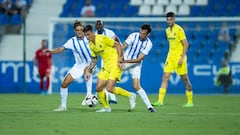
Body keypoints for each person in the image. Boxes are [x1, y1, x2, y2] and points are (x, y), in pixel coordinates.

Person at [83, 24, 136, 113]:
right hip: (106, 67)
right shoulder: (91, 45)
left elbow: (118, 45)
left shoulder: (102, 38)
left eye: (88, 34)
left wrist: (120, 59)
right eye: (86, 35)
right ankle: (106, 108)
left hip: (115, 64)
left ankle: (130, 95)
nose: (87, 37)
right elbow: (94, 59)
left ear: (92, 32)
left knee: (109, 88)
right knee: (98, 88)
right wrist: (89, 71)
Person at [46, 20, 93, 111]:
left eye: (81, 29)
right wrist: (51, 51)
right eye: (77, 30)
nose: (79, 31)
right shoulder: (72, 41)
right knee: (64, 84)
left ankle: (89, 95)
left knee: (86, 70)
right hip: (78, 65)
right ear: (75, 31)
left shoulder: (89, 38)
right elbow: (60, 49)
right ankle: (63, 106)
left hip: (91, 63)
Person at [152, 11, 194, 107]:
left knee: (185, 79)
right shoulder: (167, 30)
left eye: (171, 19)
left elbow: (186, 44)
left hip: (179, 57)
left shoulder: (179, 29)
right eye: (167, 20)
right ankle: (160, 101)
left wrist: (182, 57)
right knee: (165, 77)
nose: (169, 21)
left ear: (174, 19)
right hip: (170, 57)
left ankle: (190, 101)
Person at [117, 24, 156, 112]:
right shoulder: (133, 35)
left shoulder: (149, 44)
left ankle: (150, 107)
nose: (141, 35)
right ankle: (99, 97)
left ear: (148, 34)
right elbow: (123, 46)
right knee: (109, 79)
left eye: (143, 34)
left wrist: (124, 62)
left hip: (135, 64)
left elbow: (139, 60)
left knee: (136, 86)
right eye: (140, 32)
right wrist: (120, 58)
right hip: (125, 59)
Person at [94, 19, 121, 104]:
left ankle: (110, 98)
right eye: (97, 25)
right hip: (104, 59)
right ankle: (108, 98)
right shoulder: (94, 35)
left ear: (103, 25)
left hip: (113, 57)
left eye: (100, 25)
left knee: (109, 79)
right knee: (106, 79)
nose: (99, 27)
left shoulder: (109, 32)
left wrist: (121, 46)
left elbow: (116, 39)